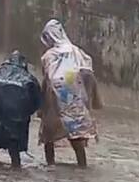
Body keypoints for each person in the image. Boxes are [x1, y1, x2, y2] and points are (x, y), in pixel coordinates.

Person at [39, 19, 102, 168]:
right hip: (74, 99)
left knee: (49, 136)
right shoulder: (76, 51)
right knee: (76, 134)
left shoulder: (48, 56)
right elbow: (88, 72)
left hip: (54, 99)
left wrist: (41, 105)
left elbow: (47, 78)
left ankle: (50, 166)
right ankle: (82, 166)